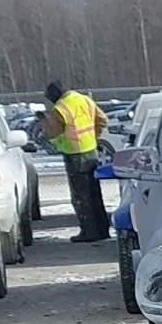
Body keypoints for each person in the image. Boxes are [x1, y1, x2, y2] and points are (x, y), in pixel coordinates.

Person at [39, 80, 112, 242]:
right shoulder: (84, 99)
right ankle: (102, 229)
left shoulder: (61, 108)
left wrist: (45, 126)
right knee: (94, 193)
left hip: (74, 155)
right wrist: (93, 136)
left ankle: (89, 232)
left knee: (81, 196)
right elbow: (102, 120)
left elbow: (53, 132)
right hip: (91, 152)